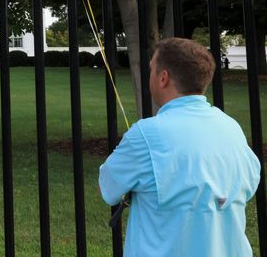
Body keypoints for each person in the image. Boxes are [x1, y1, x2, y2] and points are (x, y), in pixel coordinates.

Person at [99, 37, 261, 256]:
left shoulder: (146, 134)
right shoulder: (231, 127)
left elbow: (109, 188)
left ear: (163, 78)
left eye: (151, 70)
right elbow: (250, 184)